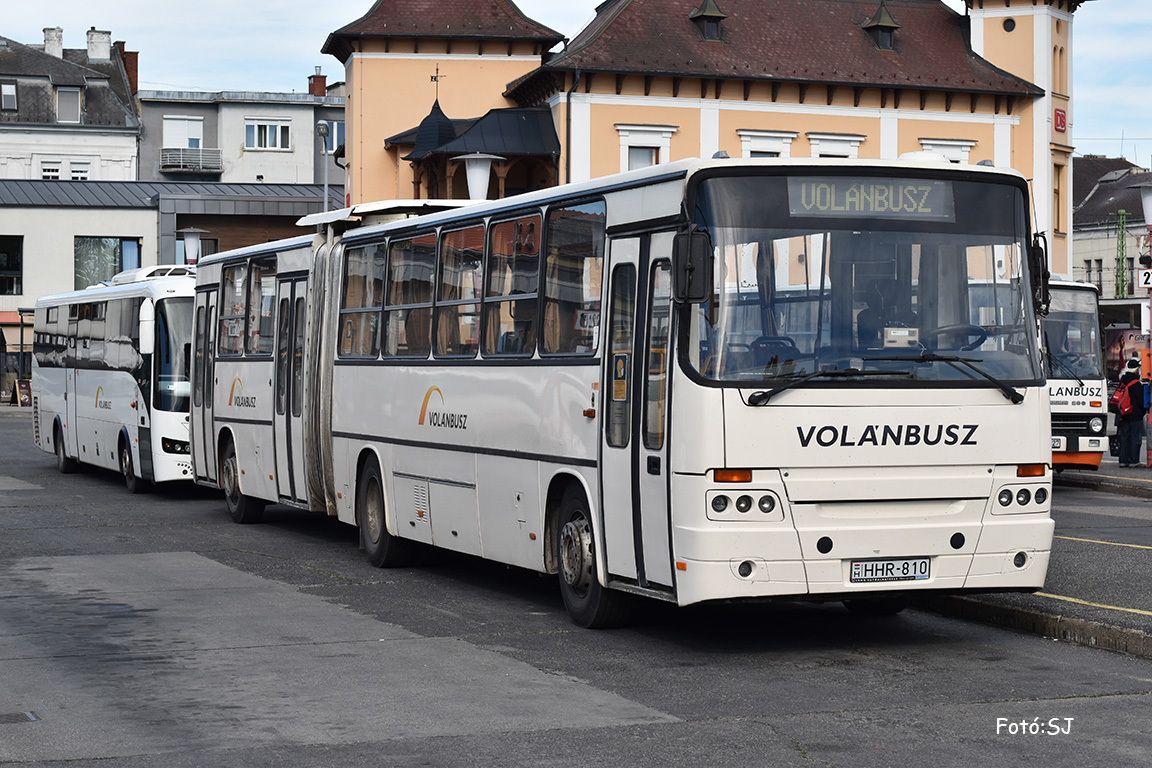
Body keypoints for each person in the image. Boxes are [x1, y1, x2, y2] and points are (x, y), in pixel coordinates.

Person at [1114, 357, 1147, 467]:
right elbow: (1140, 400)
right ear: (1137, 369)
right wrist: (1143, 412)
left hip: (1123, 414)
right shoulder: (1136, 383)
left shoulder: (1123, 381)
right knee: (1135, 438)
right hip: (1135, 415)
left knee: (1124, 437)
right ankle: (1134, 461)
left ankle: (1123, 461)